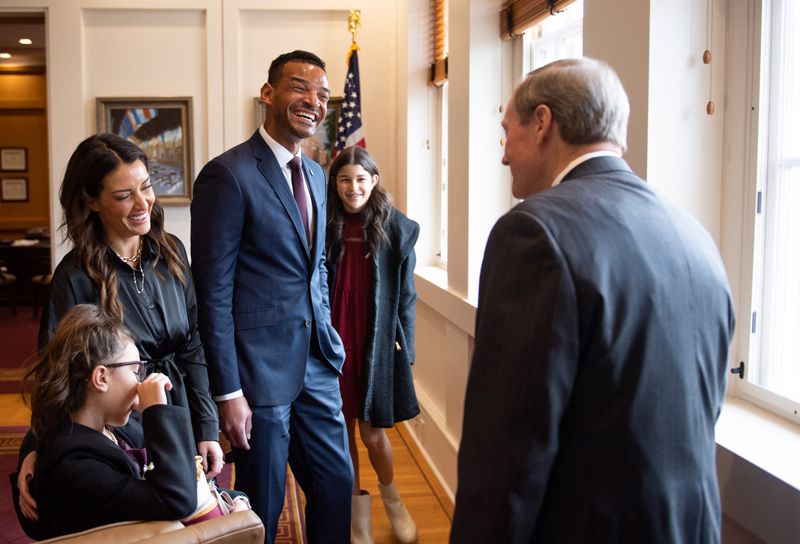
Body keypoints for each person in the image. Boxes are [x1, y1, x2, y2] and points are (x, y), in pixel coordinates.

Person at [449, 58, 735, 544]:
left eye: (507, 131)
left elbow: (508, 455)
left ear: (542, 123)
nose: (503, 155)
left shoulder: (534, 231)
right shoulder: (694, 234)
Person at [16, 133, 223, 520]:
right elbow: (55, 372)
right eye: (124, 195)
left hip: (180, 407)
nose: (144, 203)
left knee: (202, 519)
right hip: (126, 424)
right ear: (91, 201)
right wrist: (35, 445)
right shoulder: (74, 276)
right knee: (167, 517)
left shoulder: (172, 251)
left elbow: (193, 343)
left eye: (146, 187)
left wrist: (207, 425)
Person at [191, 50, 352, 543]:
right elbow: (212, 292)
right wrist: (228, 391)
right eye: (300, 87)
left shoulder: (320, 177)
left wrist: (326, 329)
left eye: (323, 94)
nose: (313, 101)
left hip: (317, 366)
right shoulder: (229, 175)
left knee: (336, 487)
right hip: (257, 378)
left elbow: (317, 267)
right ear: (268, 94)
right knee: (263, 505)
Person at [13, 304, 199, 539]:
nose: (140, 383)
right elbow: (178, 499)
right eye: (135, 370)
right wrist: (159, 412)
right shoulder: (77, 472)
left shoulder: (116, 428)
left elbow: (186, 470)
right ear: (101, 377)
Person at [325, 147, 420, 544]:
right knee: (341, 434)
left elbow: (407, 298)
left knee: (372, 433)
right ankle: (355, 512)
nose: (353, 187)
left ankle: (392, 498)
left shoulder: (395, 228)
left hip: (374, 340)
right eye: (345, 179)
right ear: (335, 183)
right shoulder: (324, 225)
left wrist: (407, 352)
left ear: (374, 181)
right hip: (333, 339)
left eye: (361, 179)